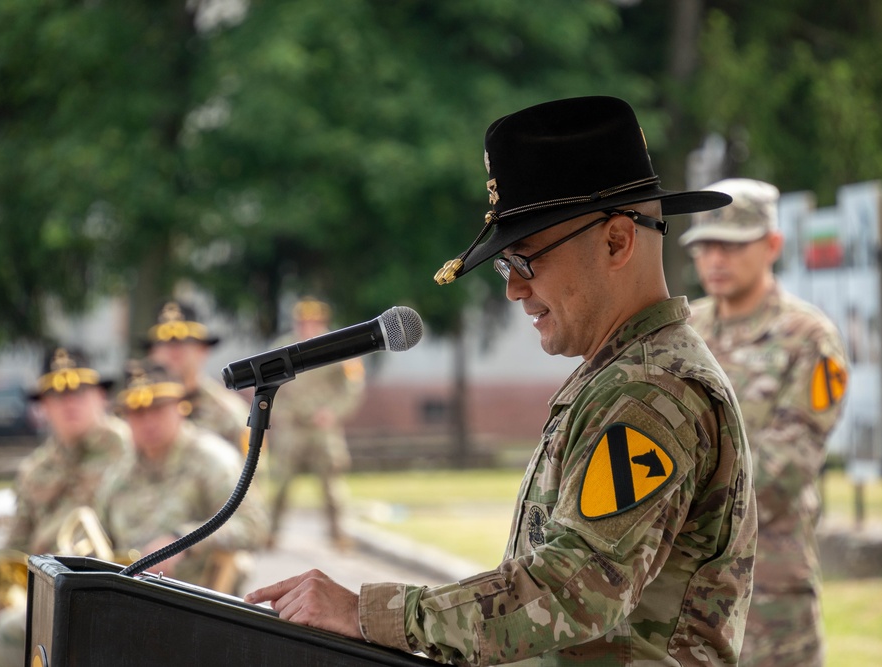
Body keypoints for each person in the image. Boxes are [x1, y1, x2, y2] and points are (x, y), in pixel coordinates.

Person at [246, 96, 757, 665]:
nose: (513, 289)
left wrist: (371, 614)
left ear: (616, 240)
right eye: (504, 265)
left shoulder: (650, 392)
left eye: (525, 260)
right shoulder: (622, 375)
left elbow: (574, 589)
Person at [680, 178, 848, 667]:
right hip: (685, 592)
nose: (716, 259)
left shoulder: (810, 339)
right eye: (705, 246)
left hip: (768, 587)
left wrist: (676, 516)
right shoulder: (685, 332)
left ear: (773, 245)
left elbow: (785, 467)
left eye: (732, 245)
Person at [0, 347, 130, 667]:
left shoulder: (130, 451)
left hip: (111, 590)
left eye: (79, 391)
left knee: (11, 632)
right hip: (43, 591)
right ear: (43, 407)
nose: (69, 402)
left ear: (100, 396)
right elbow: (15, 546)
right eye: (56, 395)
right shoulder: (35, 468)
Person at [94, 359, 269, 594]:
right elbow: (100, 541)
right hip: (129, 598)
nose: (148, 421)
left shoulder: (212, 459)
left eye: (157, 408)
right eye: (136, 413)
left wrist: (182, 541)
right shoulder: (118, 474)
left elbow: (253, 525)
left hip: (197, 601)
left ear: (181, 407)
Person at [265, 297, 366, 550]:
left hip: (323, 428)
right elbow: (267, 384)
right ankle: (269, 533)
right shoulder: (282, 347)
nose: (307, 327)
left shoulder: (339, 345)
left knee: (332, 486)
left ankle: (339, 534)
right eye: (303, 322)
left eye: (313, 322)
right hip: (294, 427)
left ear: (322, 322)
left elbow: (352, 386)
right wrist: (282, 413)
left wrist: (333, 412)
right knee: (281, 484)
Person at [145, 300, 252, 453]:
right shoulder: (138, 415)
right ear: (151, 353)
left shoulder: (229, 415)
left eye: (184, 342)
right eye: (165, 343)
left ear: (203, 350)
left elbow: (251, 474)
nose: (173, 350)